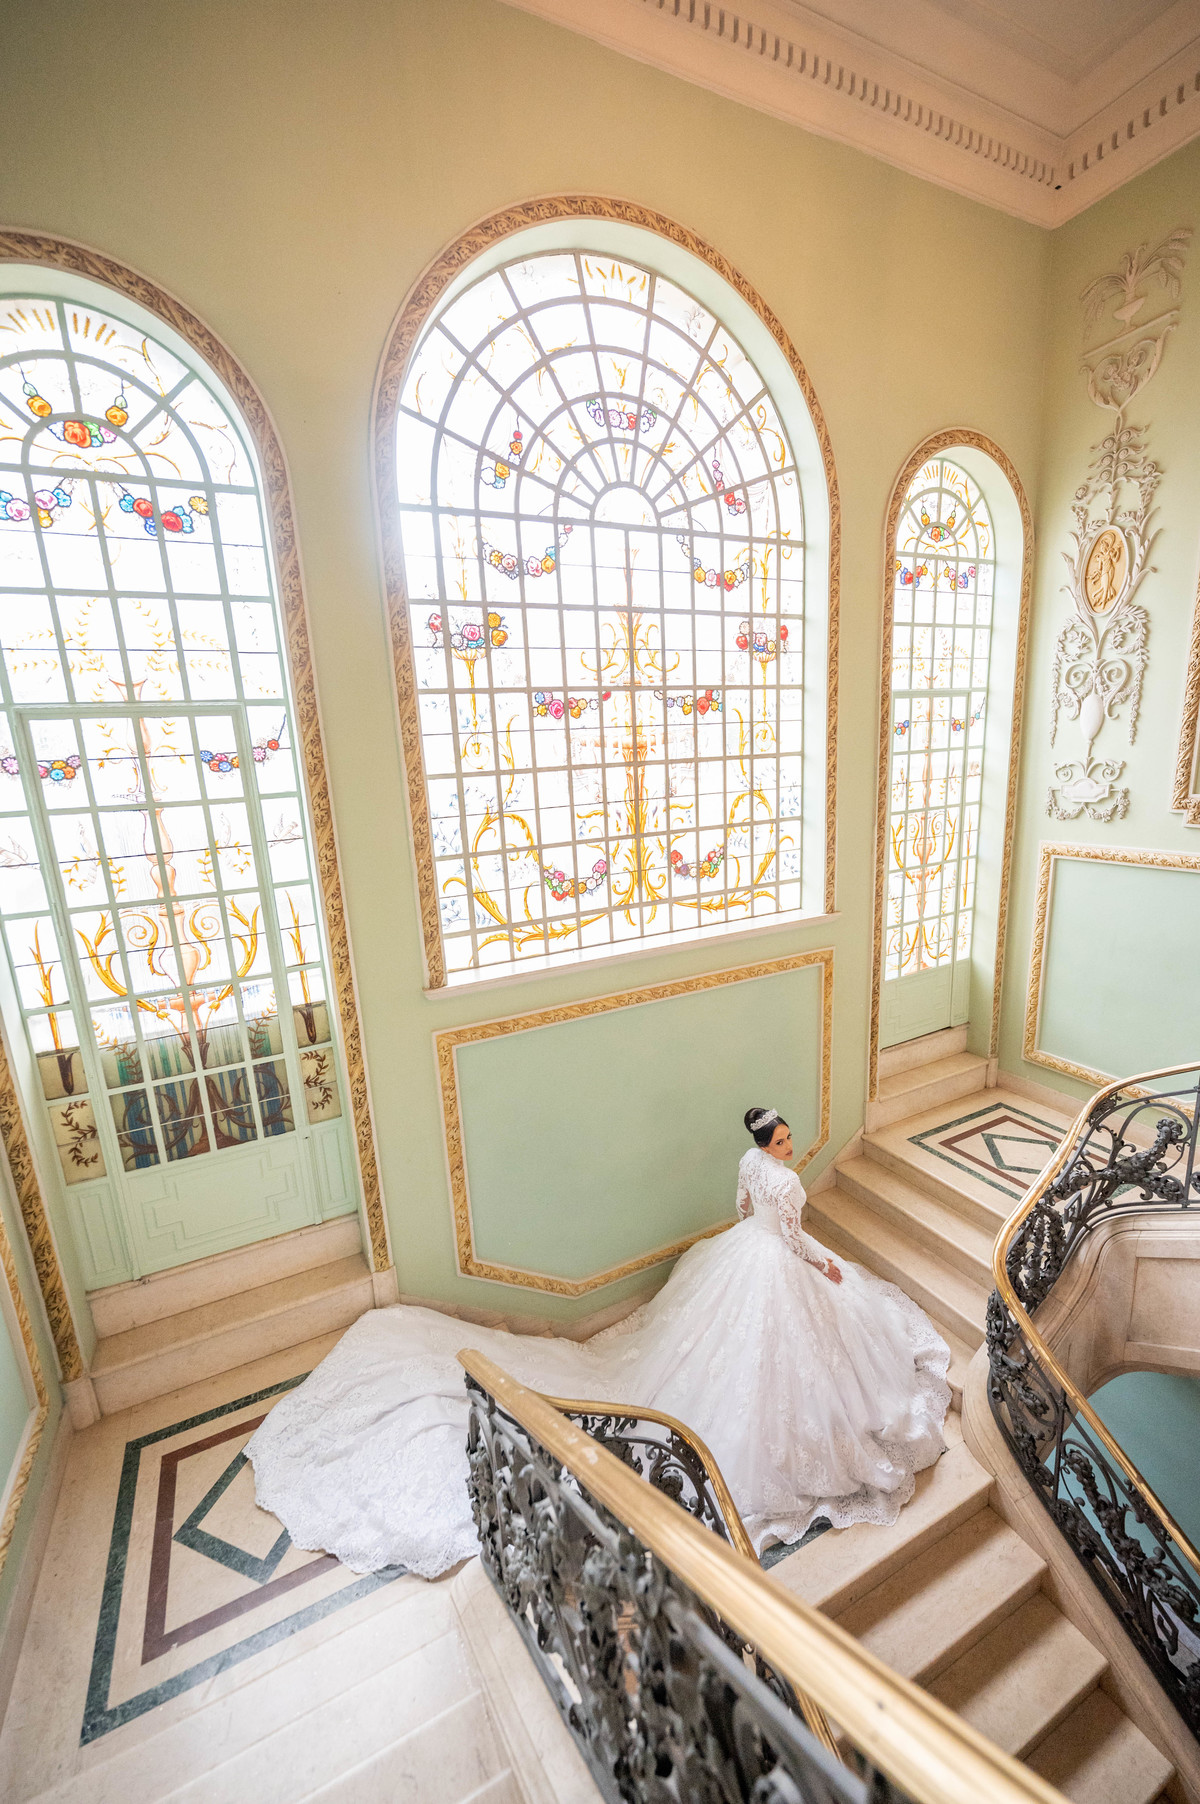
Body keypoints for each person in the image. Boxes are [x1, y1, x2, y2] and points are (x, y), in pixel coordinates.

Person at [247, 1106, 951, 1578]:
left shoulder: (747, 1164)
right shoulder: (789, 1183)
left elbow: (740, 1209)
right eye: (784, 1140)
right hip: (777, 1260)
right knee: (785, 1361)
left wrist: (753, 1239)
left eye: (788, 1141)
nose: (790, 1147)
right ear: (772, 1144)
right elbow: (794, 1241)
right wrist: (827, 1267)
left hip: (745, 1253)